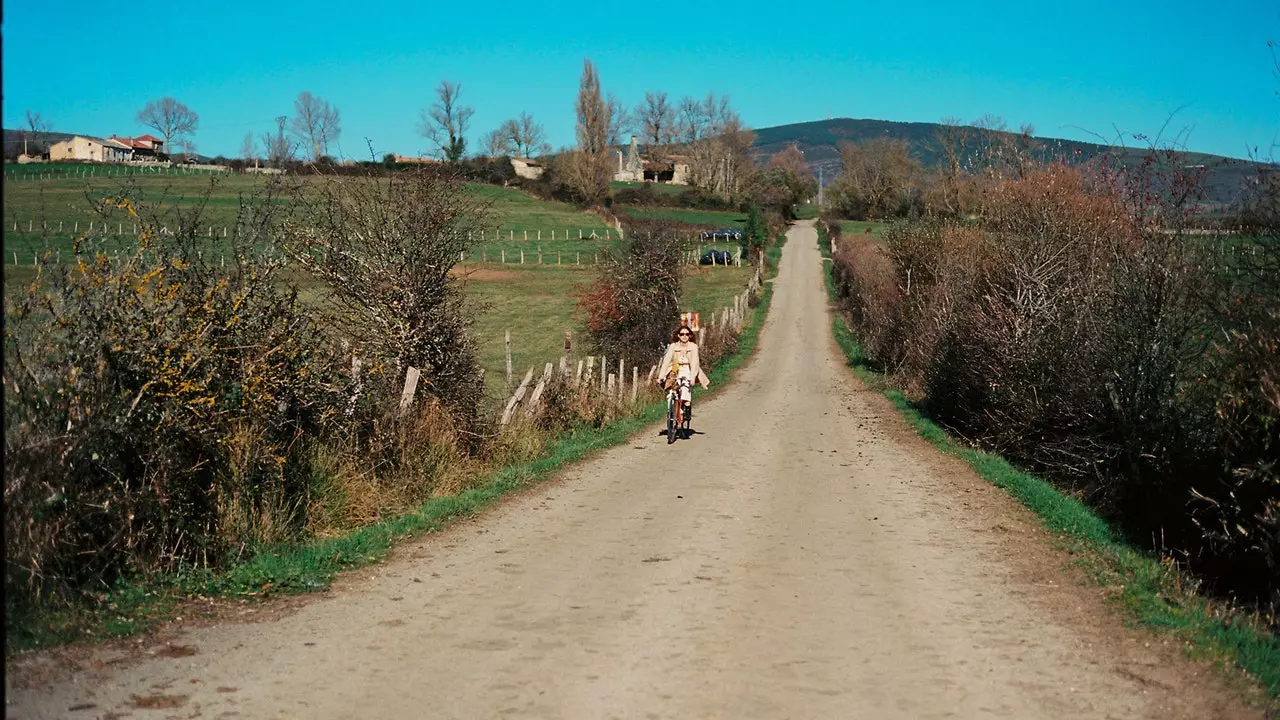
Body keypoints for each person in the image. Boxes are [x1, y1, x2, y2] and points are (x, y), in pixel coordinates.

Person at [657, 325, 710, 406]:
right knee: (673, 386)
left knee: (685, 388)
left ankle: (686, 413)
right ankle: (673, 410)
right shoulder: (673, 346)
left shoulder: (693, 346)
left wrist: (692, 378)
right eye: (682, 334)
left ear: (690, 335)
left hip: (688, 368)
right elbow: (666, 361)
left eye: (687, 334)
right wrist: (661, 376)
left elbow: (694, 362)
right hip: (675, 368)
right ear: (678, 335)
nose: (684, 336)